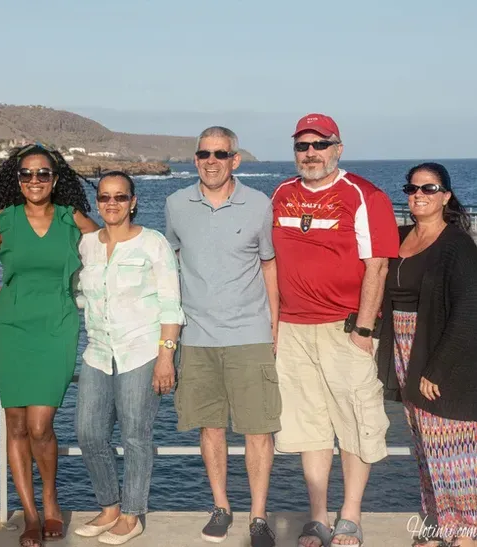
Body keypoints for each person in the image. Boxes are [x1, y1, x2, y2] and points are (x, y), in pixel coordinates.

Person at [271, 114, 399, 547]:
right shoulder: (282, 193)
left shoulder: (365, 195)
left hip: (345, 330)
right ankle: (318, 517)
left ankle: (350, 515)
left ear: (337, 149)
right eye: (302, 146)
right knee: (309, 426)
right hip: (292, 330)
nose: (310, 153)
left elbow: (377, 265)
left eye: (319, 145)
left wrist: (363, 329)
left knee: (355, 421)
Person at [165, 127, 280, 547]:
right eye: (203, 153)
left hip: (249, 333)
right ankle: (221, 507)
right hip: (196, 336)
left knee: (258, 429)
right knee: (210, 427)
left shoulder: (259, 205)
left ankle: (259, 517)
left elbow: (269, 265)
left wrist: (275, 325)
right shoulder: (176, 205)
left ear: (235, 159)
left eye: (221, 153)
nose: (211, 160)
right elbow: (174, 264)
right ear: (195, 159)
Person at [0, 144, 98, 547]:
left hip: (57, 326)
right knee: (15, 424)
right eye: (26, 174)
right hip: (11, 326)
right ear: (16, 180)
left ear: (55, 179)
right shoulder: (2, 221)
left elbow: (108, 252)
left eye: (43, 174)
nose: (34, 181)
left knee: (40, 425)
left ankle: (51, 501)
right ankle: (30, 515)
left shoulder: (73, 220)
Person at [73, 171, 184, 544]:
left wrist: (165, 357)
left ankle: (132, 513)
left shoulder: (153, 244)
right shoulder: (87, 245)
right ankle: (109, 507)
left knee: (136, 436)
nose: (112, 204)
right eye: (105, 198)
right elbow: (77, 293)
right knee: (89, 433)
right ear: (98, 203)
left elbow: (171, 305)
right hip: (98, 353)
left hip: (141, 352)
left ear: (133, 202)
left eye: (120, 197)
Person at [376, 163, 477, 547]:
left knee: (453, 445)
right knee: (423, 443)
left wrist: (436, 368)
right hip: (404, 349)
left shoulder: (457, 246)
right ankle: (437, 522)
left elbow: (469, 312)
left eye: (429, 188)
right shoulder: (399, 237)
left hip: (440, 352)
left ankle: (466, 529)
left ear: (446, 196)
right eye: (412, 188)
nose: (418, 195)